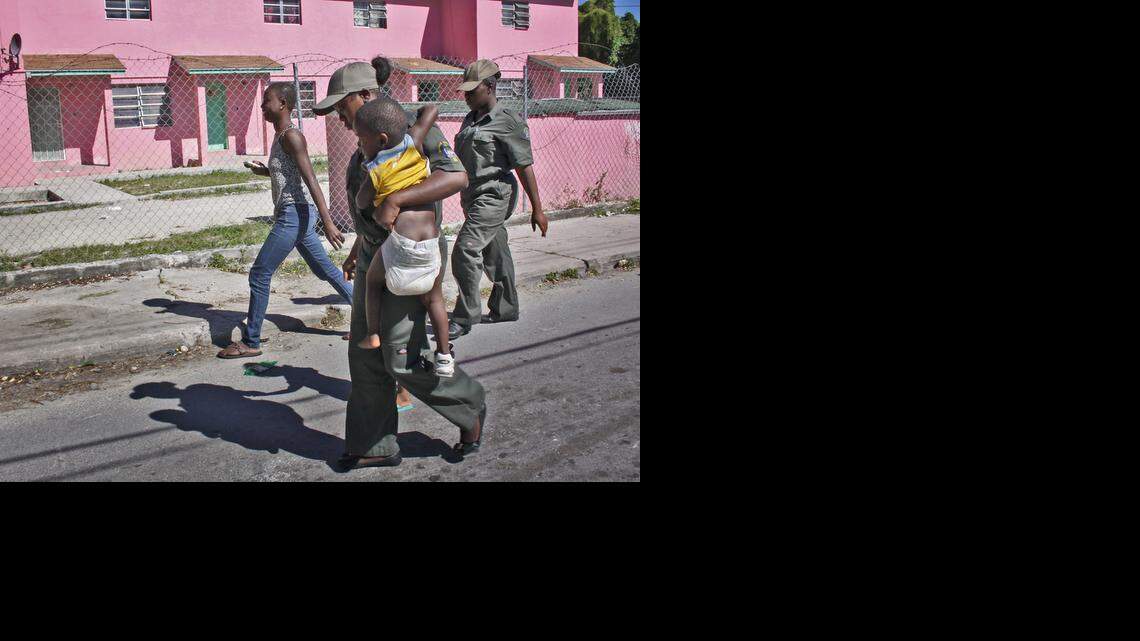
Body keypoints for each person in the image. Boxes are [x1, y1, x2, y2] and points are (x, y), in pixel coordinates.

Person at [312, 59, 485, 468]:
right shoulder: (365, 139)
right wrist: (359, 247)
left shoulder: (405, 129)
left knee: (399, 356)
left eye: (342, 107)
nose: (339, 118)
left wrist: (397, 200)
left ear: (367, 96)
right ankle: (373, 446)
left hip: (411, 255)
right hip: (377, 252)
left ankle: (468, 403)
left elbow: (455, 177)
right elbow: (371, 203)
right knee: (365, 353)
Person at [217, 82, 352, 359]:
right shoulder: (281, 136)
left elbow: (310, 178)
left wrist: (328, 222)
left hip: (294, 214)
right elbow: (288, 174)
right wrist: (267, 172)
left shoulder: (292, 137)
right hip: (295, 213)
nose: (263, 106)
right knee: (325, 270)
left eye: (267, 101)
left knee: (259, 273)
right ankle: (367, 317)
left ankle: (251, 341)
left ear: (283, 104)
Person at [446, 59, 548, 340]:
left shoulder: (508, 121)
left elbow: (524, 166)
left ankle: (465, 316)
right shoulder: (471, 118)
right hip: (472, 196)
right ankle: (506, 307)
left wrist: (537, 209)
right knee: (495, 250)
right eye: (464, 91)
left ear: (490, 87)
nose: (466, 96)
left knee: (465, 250)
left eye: (472, 90)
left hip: (494, 195)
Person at [351, 99, 454, 377]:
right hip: (431, 240)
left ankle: (372, 334)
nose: (360, 146)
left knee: (373, 282)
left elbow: (362, 203)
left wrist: (366, 180)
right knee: (434, 300)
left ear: (381, 140)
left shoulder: (376, 170)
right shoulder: (414, 143)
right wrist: (418, 114)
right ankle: (444, 356)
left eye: (361, 140)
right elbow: (430, 112)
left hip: (401, 242)